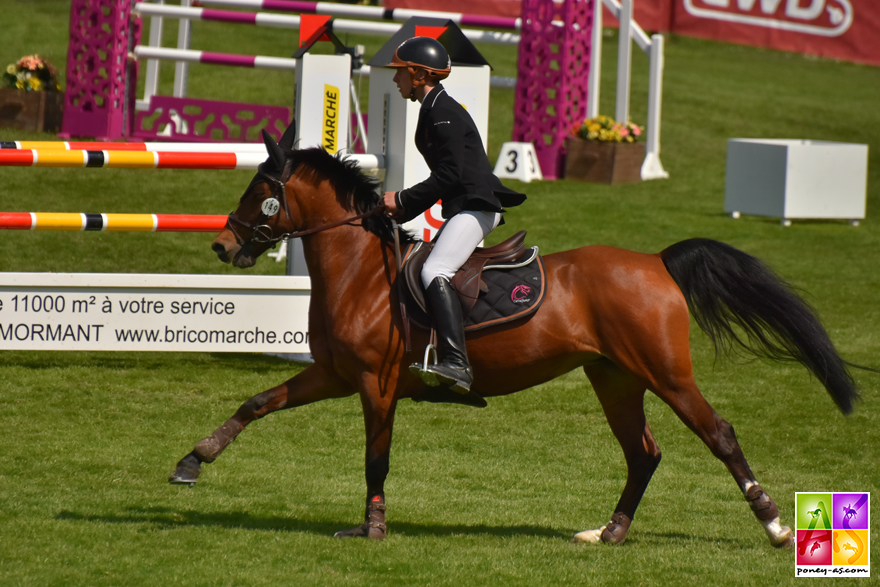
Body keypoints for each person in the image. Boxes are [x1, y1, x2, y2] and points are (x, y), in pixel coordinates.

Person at [381, 37, 526, 394]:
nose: (394, 79)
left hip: (476, 206)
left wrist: (402, 199)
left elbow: (450, 176)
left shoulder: (442, 113)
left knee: (434, 270)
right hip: (465, 206)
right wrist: (403, 210)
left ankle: (457, 364)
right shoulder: (433, 107)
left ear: (417, 74)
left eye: (399, 72)